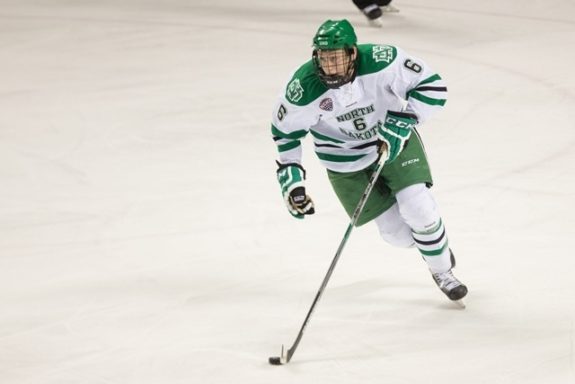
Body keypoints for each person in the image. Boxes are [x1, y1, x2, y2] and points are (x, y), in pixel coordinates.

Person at [270, 19, 468, 302]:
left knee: (419, 208)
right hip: (343, 161)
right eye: (324, 59)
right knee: (395, 235)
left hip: (392, 142)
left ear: (352, 53)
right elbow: (285, 134)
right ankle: (434, 247)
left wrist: (403, 121)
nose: (330, 67)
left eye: (336, 58)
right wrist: (292, 184)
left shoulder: (382, 61)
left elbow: (432, 86)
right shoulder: (303, 88)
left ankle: (443, 272)